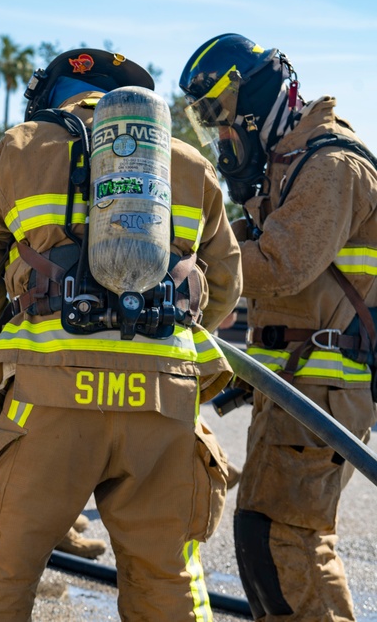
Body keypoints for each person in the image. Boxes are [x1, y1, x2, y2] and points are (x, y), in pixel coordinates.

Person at [0, 48, 241, 621]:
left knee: (3, 569)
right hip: (164, 403)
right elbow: (223, 286)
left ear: (52, 96)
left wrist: (15, 341)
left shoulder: (21, 146)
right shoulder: (188, 162)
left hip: (47, 402)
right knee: (169, 578)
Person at [180, 33, 377, 621]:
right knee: (265, 542)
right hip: (295, 386)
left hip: (324, 390)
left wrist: (188, 260)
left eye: (221, 115)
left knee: (289, 542)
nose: (220, 136)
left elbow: (279, 267)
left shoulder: (332, 165)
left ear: (256, 97)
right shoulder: (291, 167)